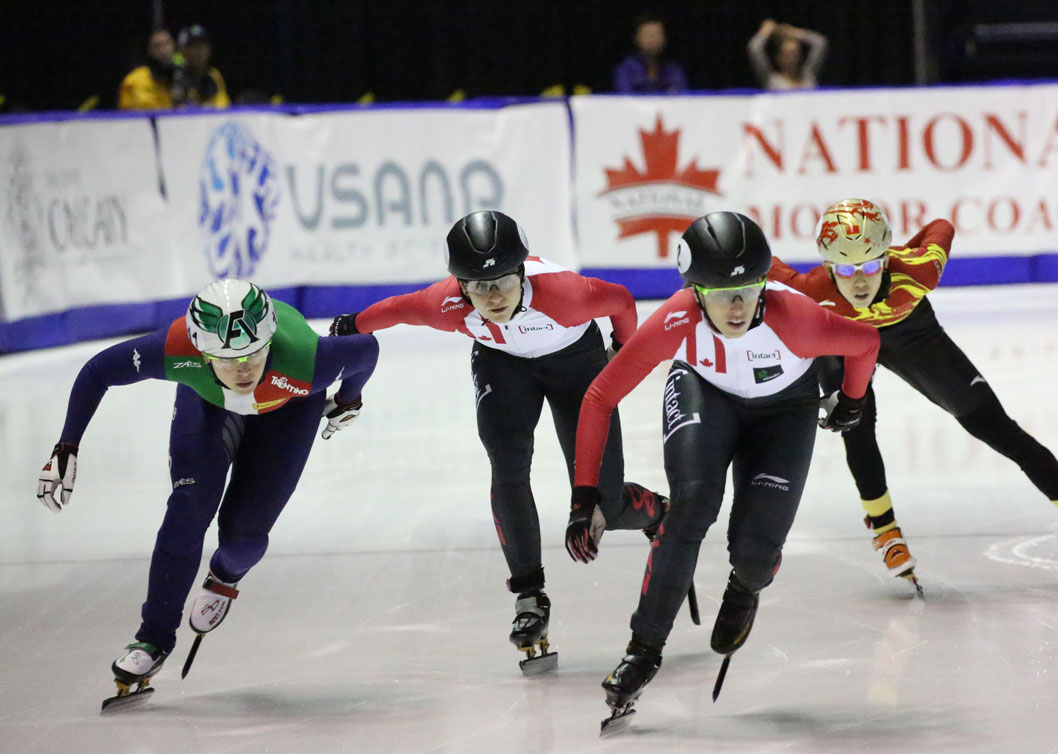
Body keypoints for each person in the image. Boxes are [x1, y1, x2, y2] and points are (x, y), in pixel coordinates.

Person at [570, 211, 880, 729]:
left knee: (756, 556)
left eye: (749, 290)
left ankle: (746, 586)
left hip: (785, 409)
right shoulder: (676, 317)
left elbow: (865, 343)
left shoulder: (796, 320)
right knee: (692, 507)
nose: (736, 306)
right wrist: (584, 494)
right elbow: (601, 395)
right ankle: (642, 652)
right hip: (705, 391)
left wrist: (853, 400)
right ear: (694, 292)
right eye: (719, 292)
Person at [328, 210, 670, 675]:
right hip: (502, 364)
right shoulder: (448, 304)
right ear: (461, 285)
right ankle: (529, 595)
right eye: (477, 285)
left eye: (503, 282)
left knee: (605, 502)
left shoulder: (566, 296)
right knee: (507, 464)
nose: (492, 296)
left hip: (577, 361)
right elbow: (396, 309)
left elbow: (624, 301)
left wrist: (622, 354)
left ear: (523, 271)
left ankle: (656, 510)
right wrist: (350, 325)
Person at [37, 280, 378, 712]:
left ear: (270, 340)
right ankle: (153, 637)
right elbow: (97, 372)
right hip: (208, 405)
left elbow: (366, 350)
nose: (242, 369)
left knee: (244, 540)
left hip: (290, 408)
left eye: (254, 353)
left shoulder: (309, 361)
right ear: (201, 351)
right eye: (227, 358)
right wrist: (67, 445)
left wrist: (350, 398)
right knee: (187, 509)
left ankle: (225, 577)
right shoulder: (176, 348)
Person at [767, 198, 1058, 592]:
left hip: (912, 334)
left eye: (871, 264)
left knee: (994, 426)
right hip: (844, 339)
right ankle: (886, 530)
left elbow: (940, 224)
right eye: (845, 269)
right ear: (826, 266)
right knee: (855, 426)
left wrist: (906, 251)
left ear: (887, 258)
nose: (859, 281)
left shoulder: (920, 271)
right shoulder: (809, 290)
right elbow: (758, 264)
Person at [613, 14, 688, 93]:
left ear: (664, 39)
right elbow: (625, 98)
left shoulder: (674, 70)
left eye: (656, 35)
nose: (652, 39)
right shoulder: (626, 70)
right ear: (636, 39)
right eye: (647, 35)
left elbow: (681, 97)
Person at [746, 19, 828, 90]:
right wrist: (765, 32)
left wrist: (795, 32)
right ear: (777, 57)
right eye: (787, 54)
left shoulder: (808, 74)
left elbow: (820, 43)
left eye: (795, 53)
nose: (792, 58)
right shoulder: (771, 79)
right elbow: (754, 48)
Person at [118, 29, 182, 110]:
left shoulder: (178, 76)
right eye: (157, 45)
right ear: (149, 50)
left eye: (167, 43)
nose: (163, 50)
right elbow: (142, 111)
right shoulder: (136, 80)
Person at [177, 25, 230, 107]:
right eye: (193, 47)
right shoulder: (174, 75)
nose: (199, 51)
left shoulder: (213, 75)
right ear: (183, 50)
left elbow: (223, 105)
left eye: (202, 46)